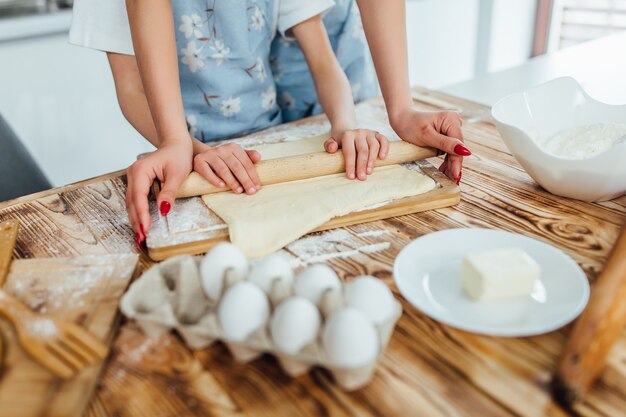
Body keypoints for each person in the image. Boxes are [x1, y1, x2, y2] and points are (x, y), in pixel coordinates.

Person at [70, 0, 470, 246]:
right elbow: (129, 87)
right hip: (181, 158)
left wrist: (349, 123)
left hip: (265, 141)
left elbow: (322, 59)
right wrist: (185, 146)